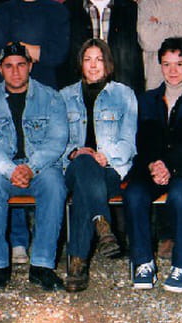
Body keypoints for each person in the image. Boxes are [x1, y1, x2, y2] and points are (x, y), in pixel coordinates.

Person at [124, 38, 182, 293]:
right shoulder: (147, 100)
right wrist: (154, 165)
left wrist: (169, 165)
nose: (173, 70)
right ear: (160, 66)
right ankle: (143, 262)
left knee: (179, 194)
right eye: (166, 64)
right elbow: (143, 139)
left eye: (179, 63)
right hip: (154, 168)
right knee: (134, 193)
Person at [0, 42, 68, 291]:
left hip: (40, 167)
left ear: (30, 66)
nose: (15, 71)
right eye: (9, 66)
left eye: (21, 65)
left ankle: (42, 265)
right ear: (0, 69)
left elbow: (57, 141)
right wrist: (10, 170)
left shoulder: (51, 97)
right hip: (3, 168)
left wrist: (31, 168)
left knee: (55, 186)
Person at [61, 39, 137, 292]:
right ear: (80, 64)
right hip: (74, 167)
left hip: (110, 169)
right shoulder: (64, 96)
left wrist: (106, 156)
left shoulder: (124, 94)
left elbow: (129, 142)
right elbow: (56, 142)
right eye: (87, 59)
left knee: (85, 188)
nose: (93, 65)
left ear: (108, 64)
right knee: (84, 162)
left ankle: (77, 264)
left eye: (99, 59)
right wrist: (73, 152)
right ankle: (102, 223)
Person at [62, 0, 144, 93]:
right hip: (80, 94)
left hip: (119, 93)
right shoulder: (69, 9)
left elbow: (134, 62)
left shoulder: (130, 9)